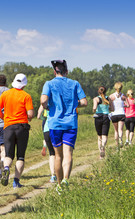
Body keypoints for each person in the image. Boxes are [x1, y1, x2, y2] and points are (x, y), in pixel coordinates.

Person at [41, 60, 87, 195]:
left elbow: (43, 101)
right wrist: (73, 104)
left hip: (55, 123)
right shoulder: (74, 84)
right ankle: (66, 178)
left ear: (55, 72)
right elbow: (84, 102)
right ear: (66, 71)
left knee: (57, 155)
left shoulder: (49, 83)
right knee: (68, 153)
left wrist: (47, 106)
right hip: (71, 123)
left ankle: (60, 184)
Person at [0, 73, 34, 189]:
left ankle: (6, 168)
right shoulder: (26, 96)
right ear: (24, 85)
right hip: (22, 127)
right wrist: (28, 118)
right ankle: (16, 182)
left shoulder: (5, 94)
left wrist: (5, 118)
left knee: (8, 155)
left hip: (8, 127)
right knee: (20, 156)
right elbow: (30, 114)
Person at [37, 105, 56, 183]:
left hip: (47, 128)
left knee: (52, 154)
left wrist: (40, 115)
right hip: (58, 127)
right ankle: (62, 175)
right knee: (60, 153)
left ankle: (53, 175)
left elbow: (38, 116)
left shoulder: (46, 101)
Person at [108, 82, 129, 149]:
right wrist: (123, 106)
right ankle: (121, 140)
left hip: (114, 114)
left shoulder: (111, 96)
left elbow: (109, 106)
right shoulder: (123, 96)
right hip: (121, 113)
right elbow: (128, 105)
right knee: (120, 129)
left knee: (116, 130)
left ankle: (117, 145)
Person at [92, 86, 110, 159]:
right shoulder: (108, 99)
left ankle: (101, 155)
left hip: (98, 117)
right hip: (106, 116)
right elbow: (112, 108)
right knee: (104, 135)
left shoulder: (96, 99)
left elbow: (94, 108)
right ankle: (103, 146)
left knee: (99, 136)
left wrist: (94, 111)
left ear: (98, 91)